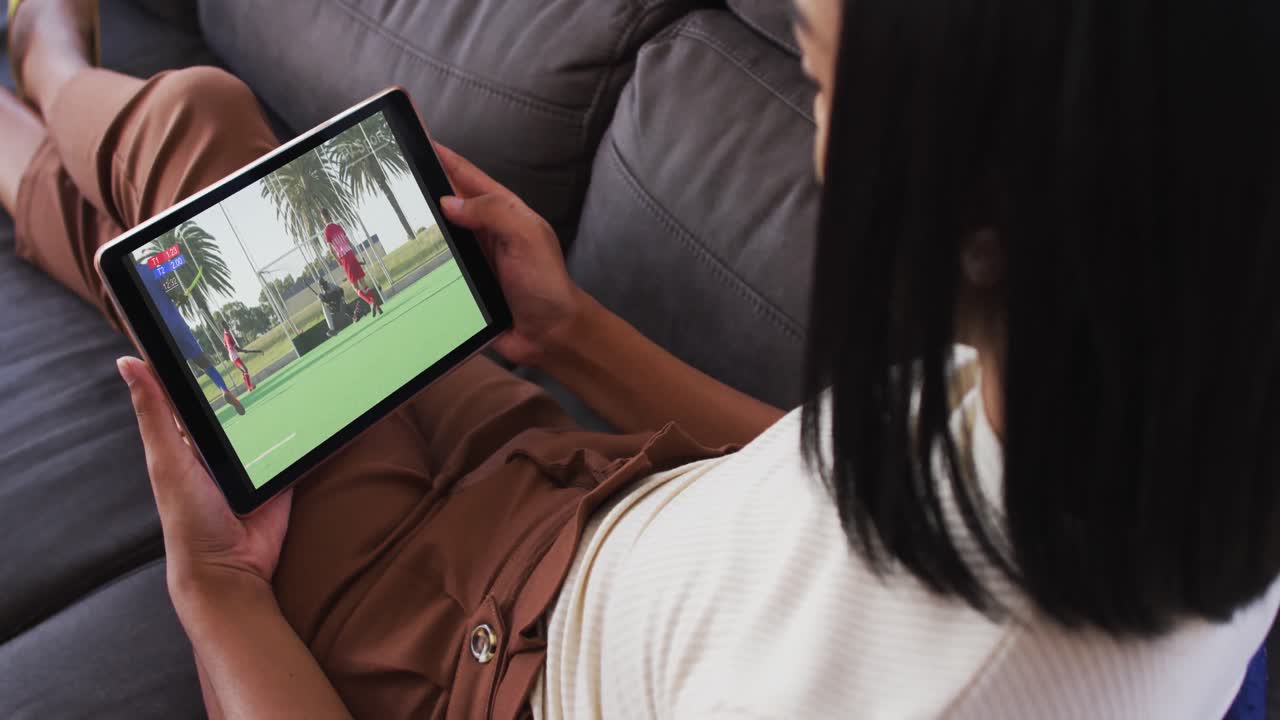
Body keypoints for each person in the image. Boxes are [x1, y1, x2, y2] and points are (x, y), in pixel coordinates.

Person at [3, 0, 1279, 717]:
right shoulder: (1159, 403)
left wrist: (217, 591)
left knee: (197, 132)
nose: (816, 146)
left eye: (821, 86)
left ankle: (40, 68)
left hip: (458, 650)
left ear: (980, 217)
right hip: (583, 493)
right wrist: (569, 334)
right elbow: (825, 488)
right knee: (216, 221)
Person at [134, 259, 245, 416]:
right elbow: (173, 292)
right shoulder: (155, 269)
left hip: (158, 334)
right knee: (202, 361)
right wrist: (181, 297)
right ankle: (223, 388)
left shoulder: (128, 283)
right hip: (176, 325)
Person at [319, 207, 382, 318]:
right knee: (363, 283)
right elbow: (347, 241)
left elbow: (331, 250)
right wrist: (353, 254)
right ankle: (377, 307)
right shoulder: (338, 226)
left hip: (344, 257)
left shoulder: (327, 231)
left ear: (323, 218)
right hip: (351, 254)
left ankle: (371, 303)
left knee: (355, 287)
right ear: (330, 215)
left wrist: (339, 261)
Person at [221, 322, 255, 392]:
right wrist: (243, 350)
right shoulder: (227, 336)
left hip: (233, 355)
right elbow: (236, 348)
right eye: (227, 325)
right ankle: (249, 387)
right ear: (224, 326)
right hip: (234, 357)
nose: (228, 325)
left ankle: (249, 387)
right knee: (245, 369)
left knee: (243, 371)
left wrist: (231, 350)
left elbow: (225, 345)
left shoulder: (225, 335)